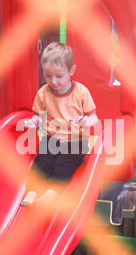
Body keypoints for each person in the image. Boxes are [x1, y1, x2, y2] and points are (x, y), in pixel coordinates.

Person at [20, 42, 99, 206]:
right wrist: (34, 122)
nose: (53, 81)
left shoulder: (81, 92)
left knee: (63, 163)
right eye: (48, 76)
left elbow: (94, 118)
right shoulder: (43, 93)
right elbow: (39, 117)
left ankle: (53, 192)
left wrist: (86, 121)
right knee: (42, 161)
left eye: (59, 76)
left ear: (71, 71)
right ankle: (34, 190)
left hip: (75, 141)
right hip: (52, 137)